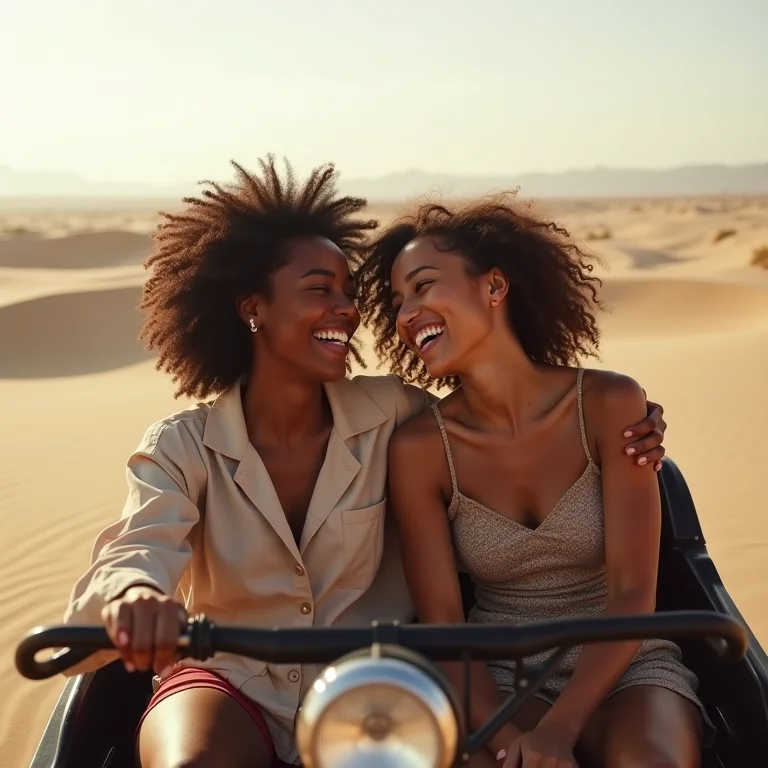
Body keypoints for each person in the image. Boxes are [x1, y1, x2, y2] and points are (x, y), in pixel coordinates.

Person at [63, 159, 670, 768]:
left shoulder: (395, 414)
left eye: (349, 293)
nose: (348, 311)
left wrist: (637, 419)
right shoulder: (181, 446)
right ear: (254, 307)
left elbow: (500, 416)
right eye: (319, 290)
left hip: (372, 683)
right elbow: (133, 550)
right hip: (229, 680)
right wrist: (134, 595)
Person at [355, 194, 713, 768]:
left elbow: (631, 596)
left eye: (423, 286)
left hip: (627, 661)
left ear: (494, 287)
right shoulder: (421, 448)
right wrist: (508, 741)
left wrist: (558, 732)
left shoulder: (609, 403)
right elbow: (445, 628)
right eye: (397, 302)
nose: (405, 314)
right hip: (497, 674)